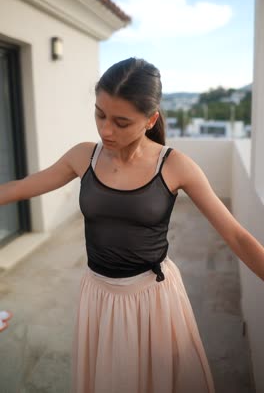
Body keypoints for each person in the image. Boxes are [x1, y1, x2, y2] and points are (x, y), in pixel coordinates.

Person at [0, 57, 263, 392]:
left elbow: (238, 237)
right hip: (98, 296)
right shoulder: (84, 157)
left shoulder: (175, 166)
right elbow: (21, 187)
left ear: (150, 119)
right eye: (100, 114)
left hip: (152, 301)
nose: (106, 130)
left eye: (121, 122)